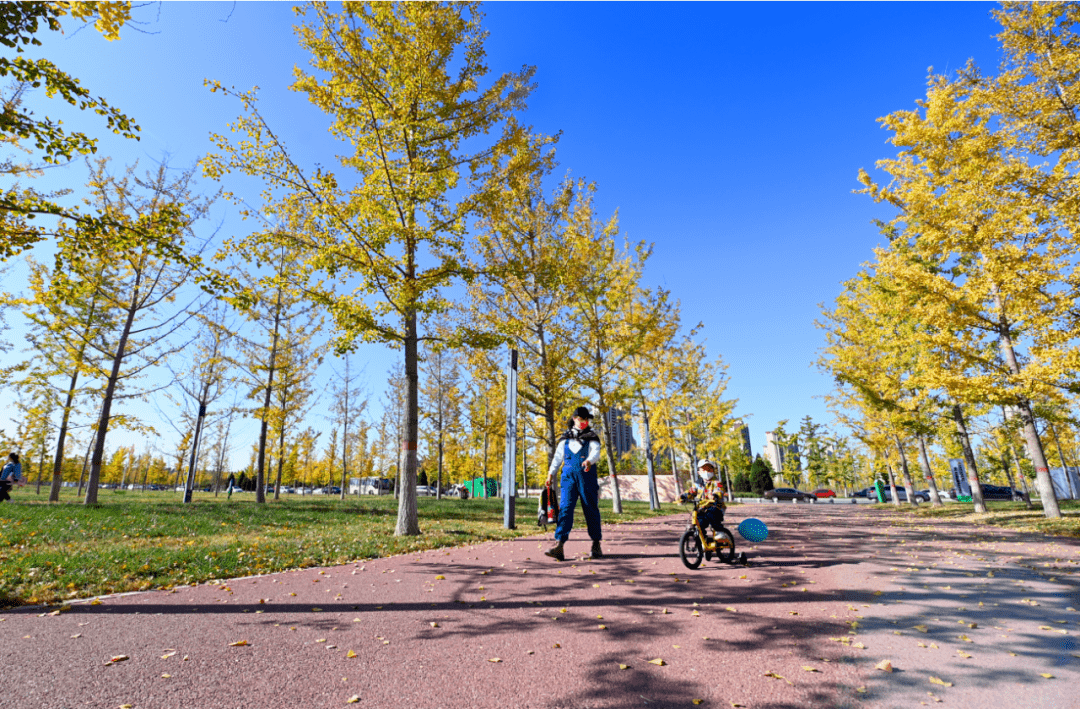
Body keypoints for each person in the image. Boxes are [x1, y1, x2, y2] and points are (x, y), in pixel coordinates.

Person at [544, 406, 603, 561]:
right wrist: (551, 473)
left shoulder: (592, 437)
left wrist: (590, 460)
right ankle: (559, 545)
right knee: (565, 508)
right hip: (568, 477)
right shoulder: (565, 438)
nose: (583, 422)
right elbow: (557, 457)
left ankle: (596, 543)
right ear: (574, 419)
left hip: (586, 476)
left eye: (586, 420)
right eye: (580, 419)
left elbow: (596, 452)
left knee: (590, 508)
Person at [683, 459, 726, 539]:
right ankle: (702, 540)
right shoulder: (697, 484)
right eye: (704, 470)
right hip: (702, 508)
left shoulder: (716, 482)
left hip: (716, 507)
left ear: (713, 471)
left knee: (711, 514)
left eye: (709, 469)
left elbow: (719, 491)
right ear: (699, 472)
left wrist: (715, 495)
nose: (706, 472)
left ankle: (719, 531)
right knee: (698, 522)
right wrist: (685, 496)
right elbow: (691, 491)